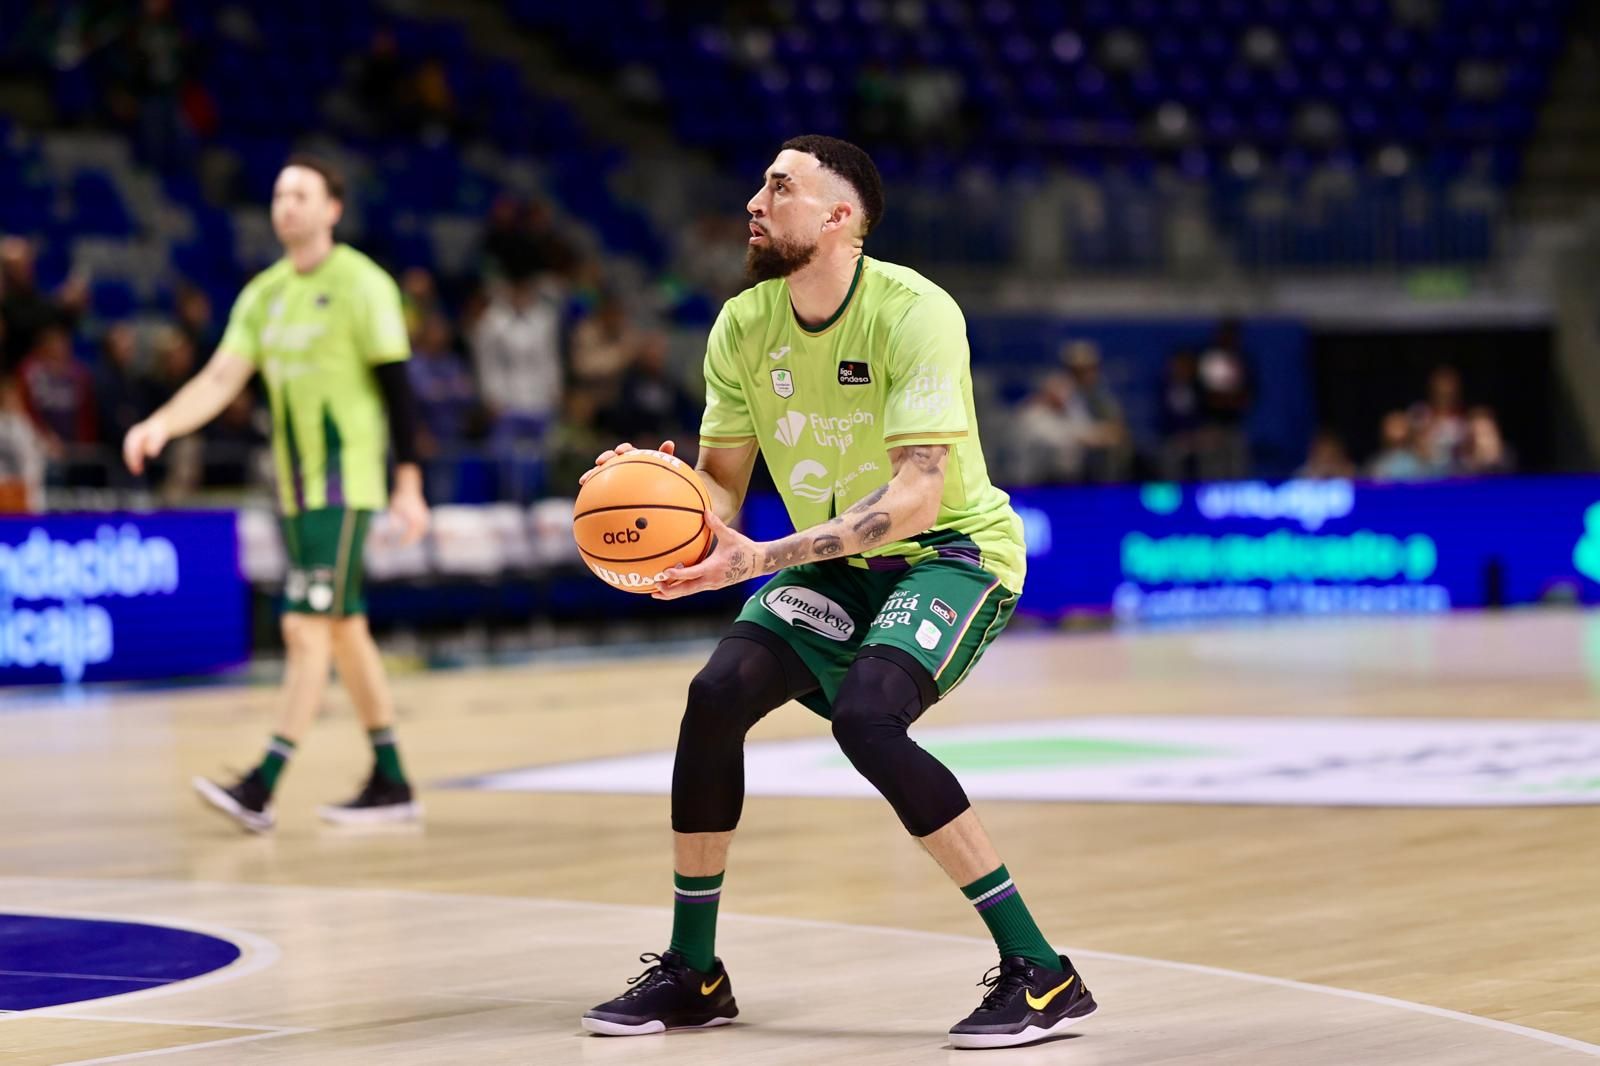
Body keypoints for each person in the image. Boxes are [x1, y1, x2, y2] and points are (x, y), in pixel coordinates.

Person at [579, 136, 1095, 1050]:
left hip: (950, 554)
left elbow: (915, 497)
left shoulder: (915, 313)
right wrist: (652, 495)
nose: (755, 199)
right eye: (760, 183)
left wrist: (759, 557)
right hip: (833, 565)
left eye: (780, 186)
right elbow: (720, 488)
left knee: (866, 717)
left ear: (839, 217)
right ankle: (693, 971)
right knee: (714, 696)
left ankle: (1041, 972)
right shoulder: (742, 325)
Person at [122, 155, 430, 832]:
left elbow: (399, 390)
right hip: (293, 495)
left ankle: (261, 784)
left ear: (332, 209)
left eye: (301, 193)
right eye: (278, 192)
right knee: (345, 632)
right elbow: (220, 378)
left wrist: (410, 483)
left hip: (344, 489)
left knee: (302, 625)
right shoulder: (263, 293)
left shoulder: (364, 284)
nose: (285, 204)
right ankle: (392, 780)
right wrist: (161, 425)